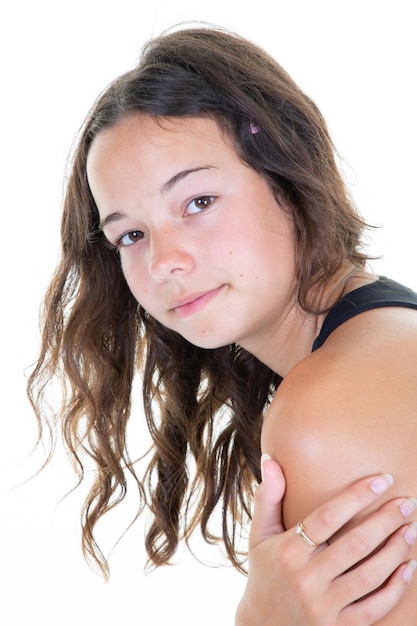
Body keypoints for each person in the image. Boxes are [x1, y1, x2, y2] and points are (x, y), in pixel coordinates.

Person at [27, 25, 417, 624]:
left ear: (286, 177)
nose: (163, 261)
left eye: (198, 202)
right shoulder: (382, 336)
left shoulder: (328, 409)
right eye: (130, 234)